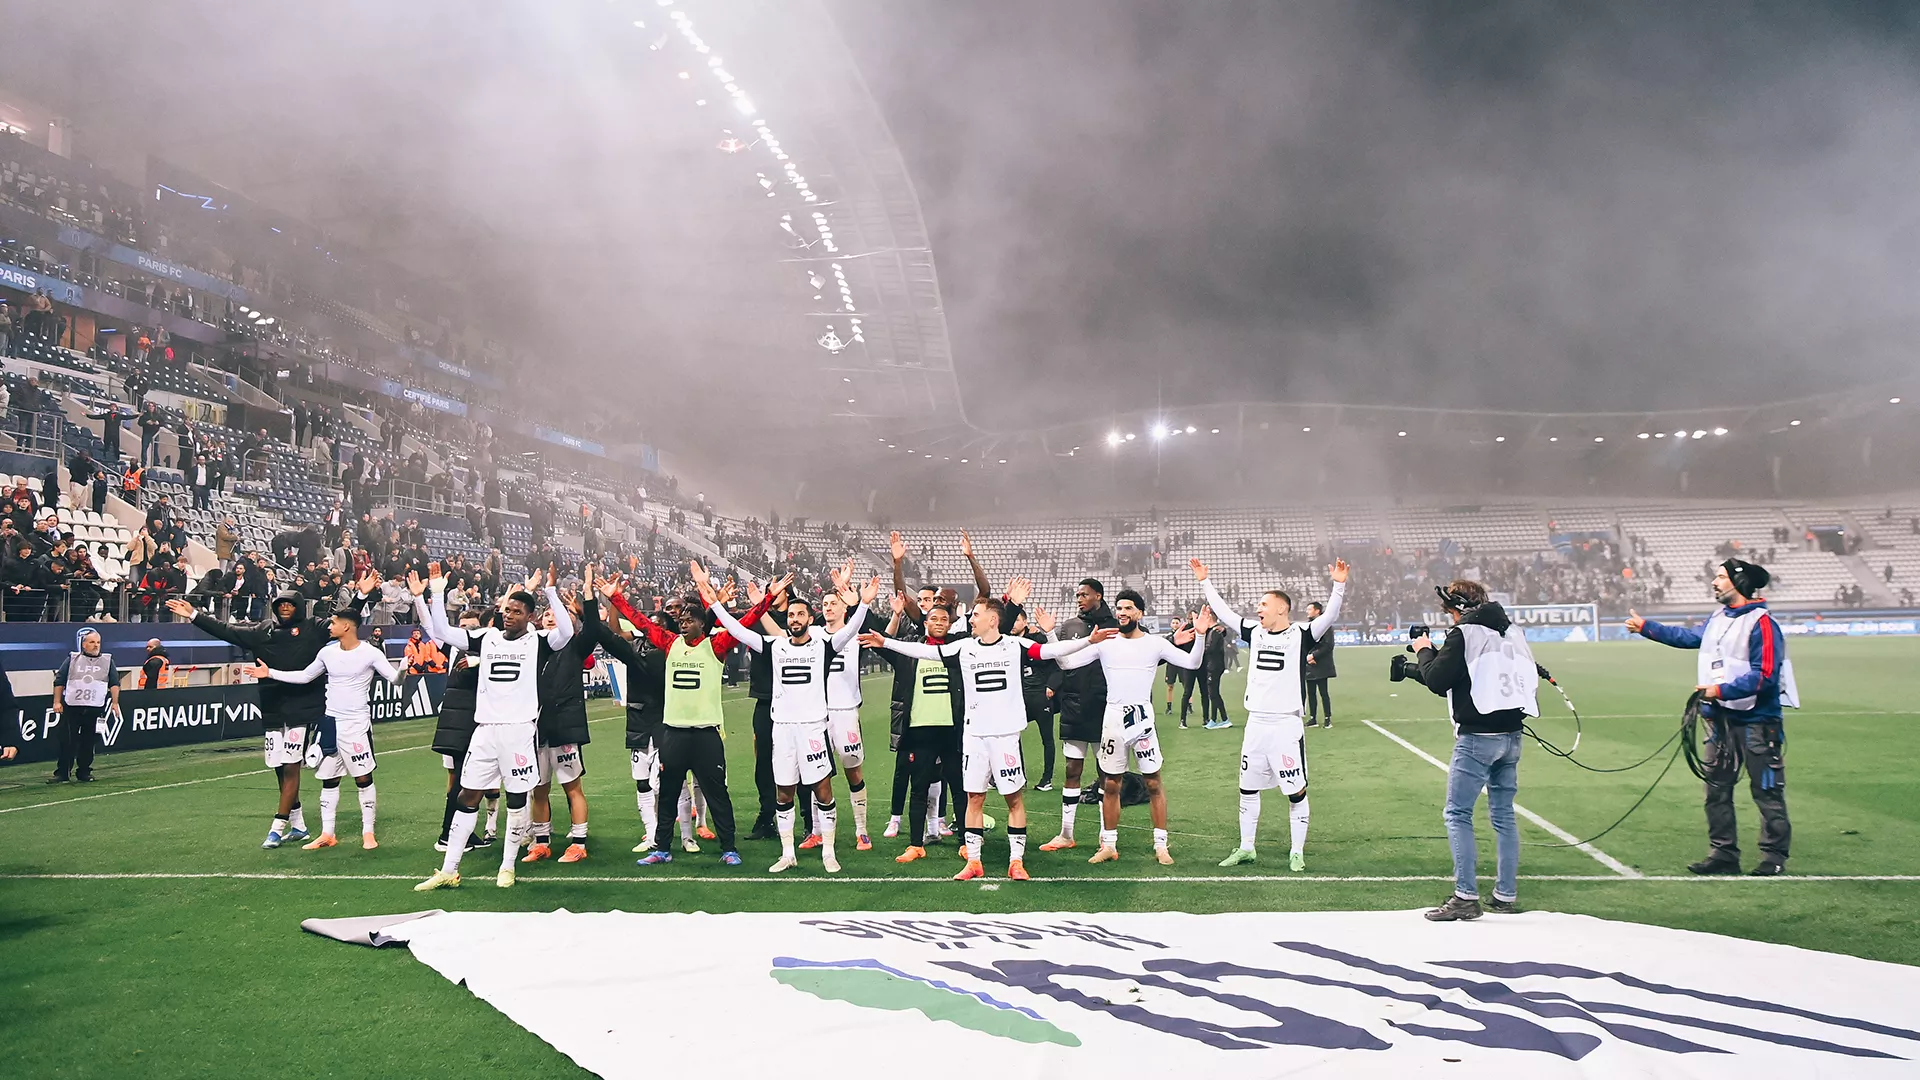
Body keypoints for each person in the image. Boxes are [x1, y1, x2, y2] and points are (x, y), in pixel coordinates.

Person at [862, 592, 1103, 879]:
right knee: (973, 798)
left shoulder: (1016, 645)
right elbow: (926, 652)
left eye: (976, 615)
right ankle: (974, 862)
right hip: (974, 737)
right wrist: (885, 642)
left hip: (1005, 737)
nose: (970, 619)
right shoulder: (964, 647)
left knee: (1013, 799)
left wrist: (1089, 641)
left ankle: (1016, 861)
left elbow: (1049, 653)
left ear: (992, 619)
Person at [166, 574, 380, 849]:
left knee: (292, 765)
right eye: (280, 605)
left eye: (289, 605)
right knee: (278, 766)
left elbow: (345, 622)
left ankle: (277, 825)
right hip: (272, 707)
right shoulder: (263, 632)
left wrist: (361, 595)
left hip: (302, 709)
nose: (284, 608)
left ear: (300, 607)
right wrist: (195, 615)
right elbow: (227, 631)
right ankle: (298, 824)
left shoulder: (314, 628)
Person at [1628, 558, 1797, 877]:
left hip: (1758, 722)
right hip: (1719, 721)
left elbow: (1766, 676)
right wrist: (1647, 628)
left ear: (1741, 583)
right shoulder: (1718, 617)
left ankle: (1773, 856)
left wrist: (1719, 691)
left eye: (1720, 577)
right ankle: (1723, 853)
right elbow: (1690, 638)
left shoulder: (1762, 623)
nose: (1714, 582)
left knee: (1767, 792)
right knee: (1716, 790)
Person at [600, 565, 774, 867]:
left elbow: (745, 622)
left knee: (717, 793)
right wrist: (616, 598)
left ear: (702, 625)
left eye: (690, 620)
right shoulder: (670, 644)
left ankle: (729, 848)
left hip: (706, 735)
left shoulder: (716, 646)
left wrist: (769, 598)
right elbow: (641, 622)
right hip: (673, 734)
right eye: (681, 620)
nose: (683, 624)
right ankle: (662, 848)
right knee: (667, 794)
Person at [414, 566, 572, 891]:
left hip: (518, 731)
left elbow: (567, 633)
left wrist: (552, 592)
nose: (510, 615)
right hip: (484, 731)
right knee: (467, 794)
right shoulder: (485, 639)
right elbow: (441, 631)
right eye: (507, 610)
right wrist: (437, 590)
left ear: (530, 616)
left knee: (516, 799)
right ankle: (449, 870)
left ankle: (507, 865)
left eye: (517, 611)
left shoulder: (538, 642)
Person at [709, 563, 873, 873]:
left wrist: (864, 603)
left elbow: (851, 630)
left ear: (811, 620)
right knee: (783, 791)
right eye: (791, 616)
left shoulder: (825, 646)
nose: (795, 619)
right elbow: (738, 630)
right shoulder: (775, 646)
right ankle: (787, 853)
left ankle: (828, 851)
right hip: (782, 730)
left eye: (800, 615)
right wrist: (714, 602)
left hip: (813, 729)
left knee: (822, 789)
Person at [1194, 557, 1348, 871]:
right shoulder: (1254, 632)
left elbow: (1330, 615)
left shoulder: (1302, 633)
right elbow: (1225, 613)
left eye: (1264, 604)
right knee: (1247, 788)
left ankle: (1296, 851)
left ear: (1281, 608)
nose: (1258, 609)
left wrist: (1339, 585)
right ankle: (1246, 848)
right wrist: (1204, 581)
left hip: (1285, 725)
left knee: (1295, 791)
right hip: (1256, 724)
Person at [1407, 579, 1540, 921]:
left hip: (1478, 737)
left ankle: (1466, 895)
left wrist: (1423, 648)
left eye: (1450, 611)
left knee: (1457, 814)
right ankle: (1505, 894)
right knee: (1503, 814)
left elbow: (1439, 680)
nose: (1450, 618)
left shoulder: (1465, 633)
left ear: (1458, 607)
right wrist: (1417, 666)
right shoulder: (1511, 631)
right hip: (1512, 735)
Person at [1051, 589, 1207, 864]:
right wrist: (1051, 634)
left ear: (1139, 613)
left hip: (1142, 719)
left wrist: (1202, 635)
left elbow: (1193, 662)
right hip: (1112, 719)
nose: (1121, 613)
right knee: (1111, 783)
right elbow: (1066, 663)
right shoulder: (1106, 643)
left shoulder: (1155, 644)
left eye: (1127, 609)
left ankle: (1161, 845)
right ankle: (1109, 845)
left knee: (1153, 782)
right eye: (1119, 609)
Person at [247, 609, 402, 851]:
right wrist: (270, 673)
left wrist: (403, 669)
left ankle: (368, 832)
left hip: (356, 724)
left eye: (334, 622)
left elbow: (395, 680)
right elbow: (305, 676)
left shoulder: (371, 653)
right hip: (330, 723)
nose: (329, 626)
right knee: (329, 779)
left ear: (347, 626)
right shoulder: (326, 652)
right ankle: (327, 833)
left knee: (363, 778)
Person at [1038, 577, 1120, 853]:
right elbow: (1062, 661)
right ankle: (1066, 834)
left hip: (1103, 707)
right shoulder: (1071, 626)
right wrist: (1050, 633)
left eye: (1084, 594)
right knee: (1072, 770)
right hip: (1073, 706)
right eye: (1077, 596)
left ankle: (1104, 834)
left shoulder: (1114, 626)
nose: (1079, 599)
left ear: (1098, 595)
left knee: (1104, 774)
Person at [523, 587, 595, 865]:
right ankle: (541, 842)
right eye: (547, 615)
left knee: (571, 786)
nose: (551, 618)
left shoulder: (575, 645)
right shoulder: (532, 647)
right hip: (536, 727)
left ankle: (579, 843)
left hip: (565, 726)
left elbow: (594, 632)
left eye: (558, 615)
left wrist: (581, 611)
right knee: (538, 788)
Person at [429, 605, 499, 853]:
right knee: (461, 782)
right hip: (462, 729)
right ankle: (448, 835)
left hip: (461, 727)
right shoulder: (466, 658)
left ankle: (461, 834)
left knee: (466, 782)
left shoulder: (472, 656)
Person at [49, 628, 121, 784]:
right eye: (92, 642)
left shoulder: (107, 661)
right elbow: (59, 681)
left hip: (95, 708)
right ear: (84, 645)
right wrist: (56, 701)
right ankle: (62, 772)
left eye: (98, 642)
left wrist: (115, 703)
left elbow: (114, 683)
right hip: (72, 706)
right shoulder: (72, 659)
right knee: (67, 740)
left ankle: (84, 771)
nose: (96, 645)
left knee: (89, 742)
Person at [1304, 600, 1337, 728]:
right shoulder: (1308, 625)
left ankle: (1327, 718)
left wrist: (1314, 655)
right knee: (1311, 692)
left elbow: (1328, 645)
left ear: (1317, 611)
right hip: (1309, 663)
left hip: (1322, 663)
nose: (1307, 611)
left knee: (1323, 692)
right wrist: (1307, 656)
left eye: (1309, 609)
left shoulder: (1326, 625)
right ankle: (1313, 718)